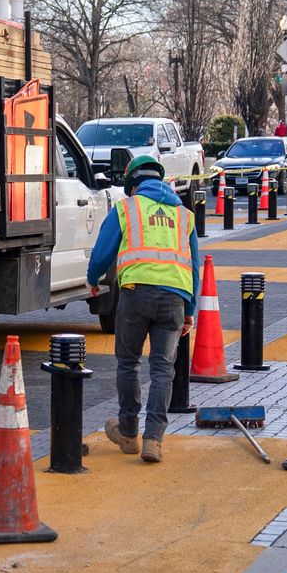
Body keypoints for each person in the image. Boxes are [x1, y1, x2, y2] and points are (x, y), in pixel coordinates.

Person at [87, 155, 201, 463]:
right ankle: (153, 440)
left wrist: (92, 279)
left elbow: (102, 252)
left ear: (131, 184)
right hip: (175, 297)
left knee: (129, 362)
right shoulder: (184, 215)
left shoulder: (127, 208)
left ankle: (128, 433)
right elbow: (195, 266)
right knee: (164, 367)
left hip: (136, 293)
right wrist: (191, 309)